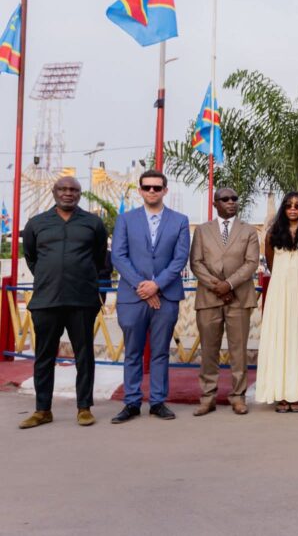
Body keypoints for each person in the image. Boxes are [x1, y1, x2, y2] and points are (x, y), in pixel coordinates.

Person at [19, 176, 107, 429]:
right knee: (44, 357)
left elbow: (99, 257)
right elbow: (32, 258)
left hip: (82, 300)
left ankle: (84, 408)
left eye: (74, 190)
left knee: (84, 356)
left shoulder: (93, 223)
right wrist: (50, 276)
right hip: (46, 300)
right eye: (63, 189)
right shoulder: (37, 223)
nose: (68, 193)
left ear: (80, 194)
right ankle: (42, 410)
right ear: (54, 191)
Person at [109, 170, 190, 423]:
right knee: (132, 352)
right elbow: (118, 256)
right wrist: (142, 287)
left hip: (166, 296)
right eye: (147, 187)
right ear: (140, 190)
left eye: (157, 187)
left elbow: (180, 258)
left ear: (165, 190)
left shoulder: (180, 220)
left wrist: (156, 286)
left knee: (160, 352)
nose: (152, 191)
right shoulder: (125, 219)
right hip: (132, 297)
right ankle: (132, 402)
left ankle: (157, 402)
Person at [189, 188, 260, 416]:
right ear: (215, 204)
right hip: (209, 298)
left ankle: (238, 397)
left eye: (234, 198)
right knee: (209, 350)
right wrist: (217, 286)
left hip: (239, 298)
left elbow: (251, 263)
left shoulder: (248, 230)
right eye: (225, 199)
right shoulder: (202, 230)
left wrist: (228, 284)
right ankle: (207, 397)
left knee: (238, 351)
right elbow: (196, 262)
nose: (231, 202)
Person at [255, 192, 298, 413]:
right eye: (288, 205)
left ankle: (296, 392)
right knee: (279, 337)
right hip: (279, 291)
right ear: (283, 208)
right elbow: (271, 263)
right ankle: (280, 394)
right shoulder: (273, 233)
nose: (293, 209)